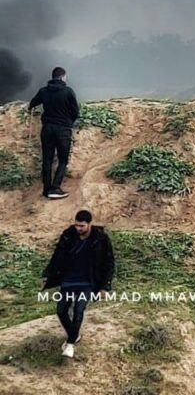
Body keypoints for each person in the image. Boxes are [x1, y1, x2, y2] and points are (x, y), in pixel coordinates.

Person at [41, 210, 115, 359]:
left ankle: (70, 344)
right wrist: (47, 274)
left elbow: (108, 262)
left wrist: (104, 286)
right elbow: (57, 256)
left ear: (89, 224)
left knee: (78, 309)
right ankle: (75, 335)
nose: (78, 228)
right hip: (68, 280)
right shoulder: (68, 235)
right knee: (61, 310)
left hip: (88, 281)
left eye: (82, 226)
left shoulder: (100, 238)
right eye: (76, 225)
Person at [27, 66, 80, 199]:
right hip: (63, 130)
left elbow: (33, 103)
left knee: (47, 160)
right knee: (63, 160)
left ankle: (46, 190)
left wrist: (31, 107)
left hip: (47, 129)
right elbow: (75, 111)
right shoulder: (68, 91)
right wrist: (69, 122)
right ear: (62, 77)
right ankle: (55, 188)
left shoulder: (44, 91)